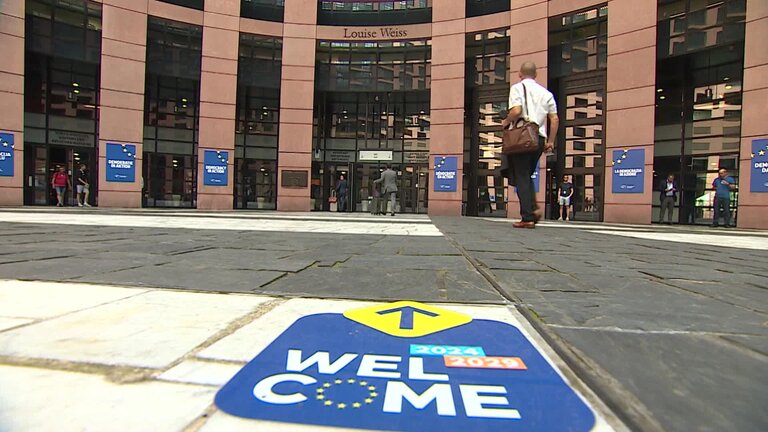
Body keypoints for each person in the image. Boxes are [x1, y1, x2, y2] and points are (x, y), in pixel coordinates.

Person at [501, 62, 559, 229]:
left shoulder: (517, 88)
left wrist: (505, 122)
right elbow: (554, 119)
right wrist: (550, 141)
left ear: (520, 74)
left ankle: (528, 216)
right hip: (538, 139)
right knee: (526, 175)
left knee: (521, 176)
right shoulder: (546, 93)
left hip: (521, 137)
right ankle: (532, 209)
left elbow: (516, 111)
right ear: (536, 74)